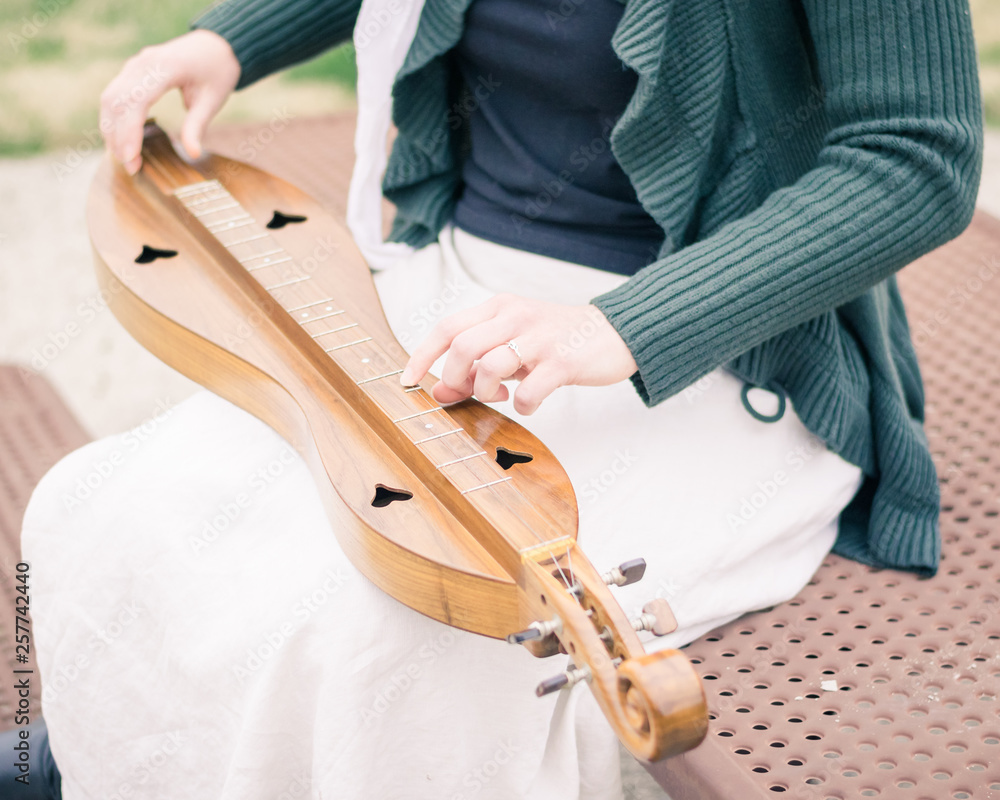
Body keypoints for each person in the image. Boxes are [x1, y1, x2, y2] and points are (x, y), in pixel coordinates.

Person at [16, 0, 982, 797]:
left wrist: (621, 327)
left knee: (388, 633)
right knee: (108, 504)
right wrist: (231, 38)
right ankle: (105, 761)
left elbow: (916, 154)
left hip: (721, 343)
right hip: (461, 288)